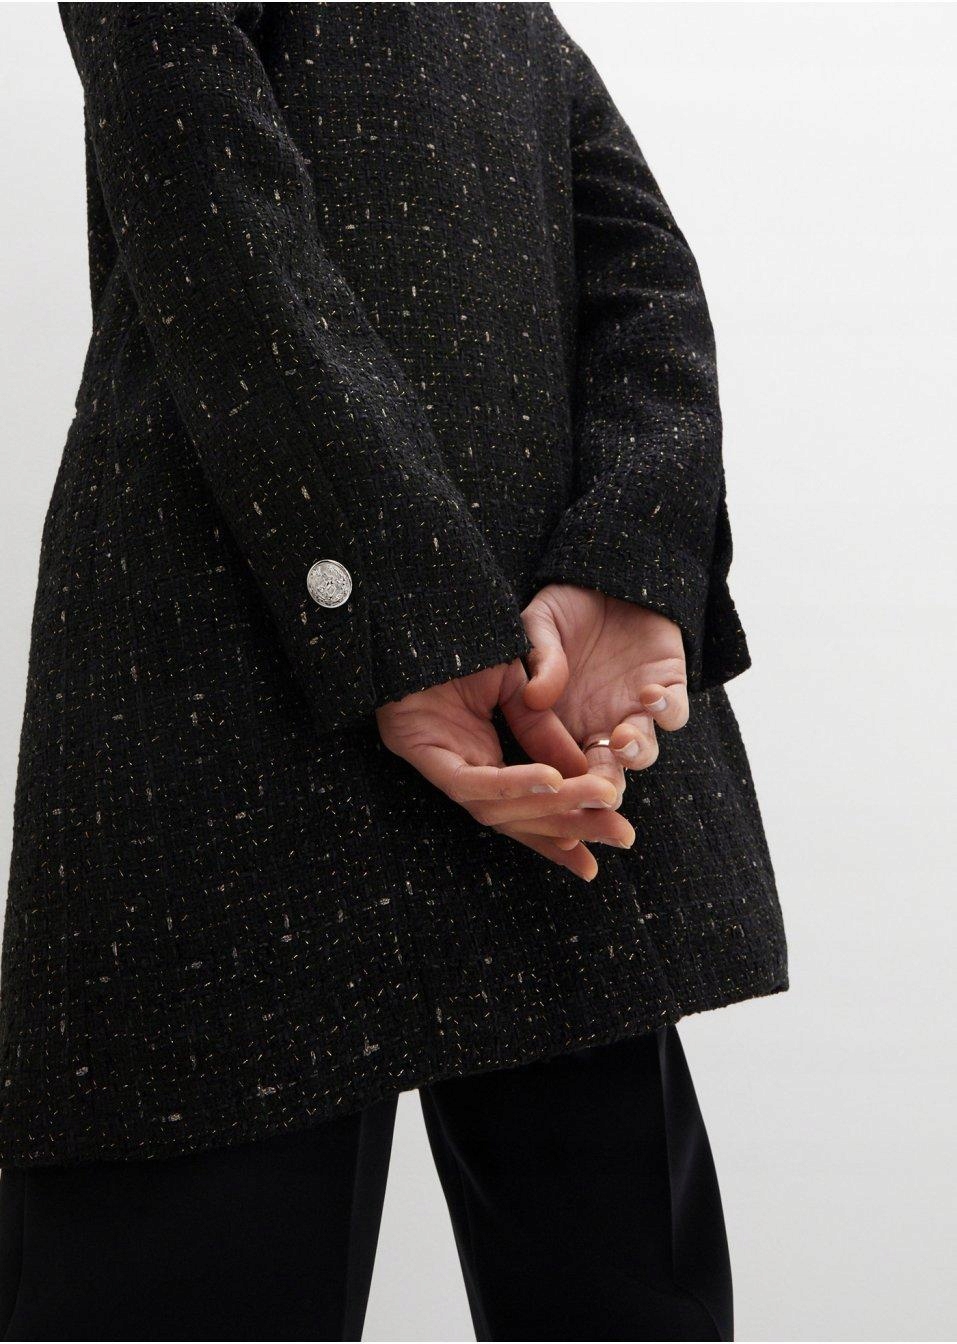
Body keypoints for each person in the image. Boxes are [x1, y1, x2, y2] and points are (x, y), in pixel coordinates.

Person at [0, 4, 787, 1340]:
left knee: (613, 1286)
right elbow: (211, 217)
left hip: (533, 707)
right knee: (184, 1260)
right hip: (245, 683)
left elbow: (638, 266)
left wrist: (628, 558)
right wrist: (421, 626)